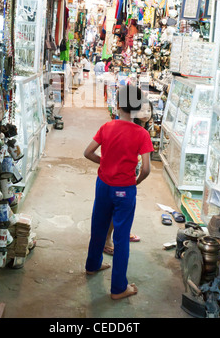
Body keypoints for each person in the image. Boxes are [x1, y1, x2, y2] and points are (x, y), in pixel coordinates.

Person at [84, 84, 153, 300]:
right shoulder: (142, 134)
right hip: (124, 190)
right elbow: (146, 169)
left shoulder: (107, 127)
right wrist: (135, 181)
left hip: (103, 185)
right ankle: (118, 289)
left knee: (98, 226)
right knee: (122, 238)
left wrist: (104, 162)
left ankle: (92, 265)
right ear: (138, 108)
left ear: (117, 104)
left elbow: (88, 153)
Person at [103, 97, 154, 255]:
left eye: (149, 110)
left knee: (123, 209)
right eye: (142, 109)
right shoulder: (135, 129)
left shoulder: (144, 128)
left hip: (125, 176)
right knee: (118, 209)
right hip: (122, 180)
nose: (146, 113)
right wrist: (136, 181)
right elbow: (146, 168)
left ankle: (121, 231)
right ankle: (107, 239)